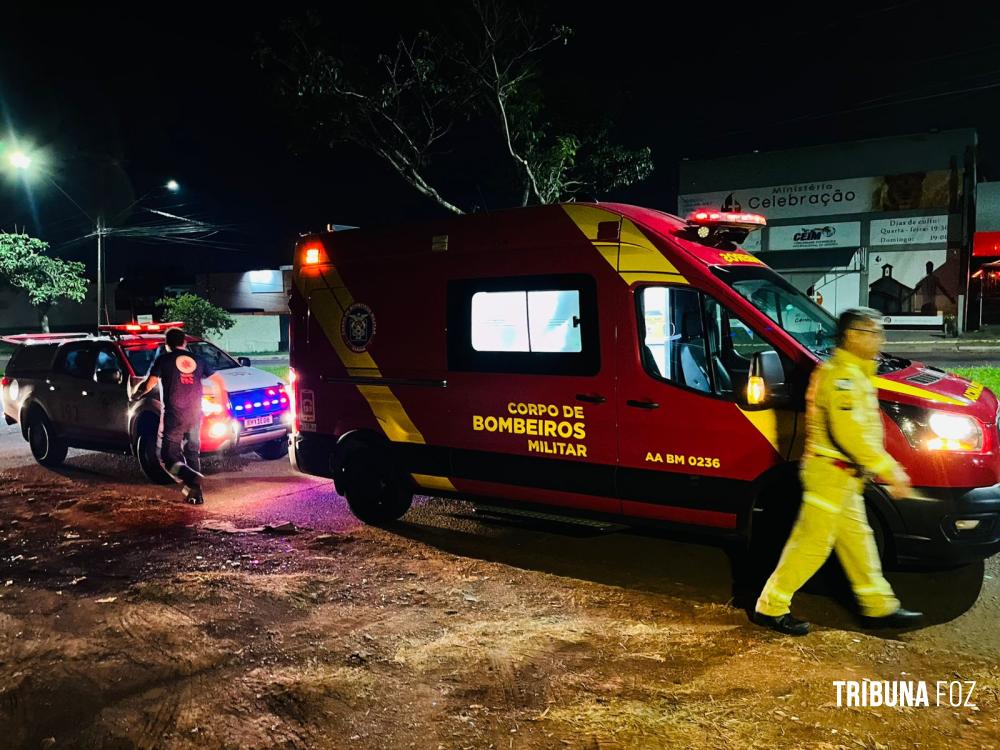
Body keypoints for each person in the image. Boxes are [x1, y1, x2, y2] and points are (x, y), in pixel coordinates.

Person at [752, 307, 923, 635]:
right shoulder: (840, 377)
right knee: (811, 545)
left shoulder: (853, 373)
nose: (881, 340)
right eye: (874, 333)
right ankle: (771, 607)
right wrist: (890, 470)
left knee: (859, 542)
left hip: (843, 477)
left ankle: (879, 606)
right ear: (853, 336)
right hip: (829, 475)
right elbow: (849, 433)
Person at [130, 328, 227, 504]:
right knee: (192, 453)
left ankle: (190, 476)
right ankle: (196, 495)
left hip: (174, 415)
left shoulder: (164, 360)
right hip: (195, 414)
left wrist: (136, 394)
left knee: (167, 457)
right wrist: (222, 407)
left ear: (167, 344)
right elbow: (219, 382)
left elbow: (149, 385)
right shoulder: (198, 359)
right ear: (184, 342)